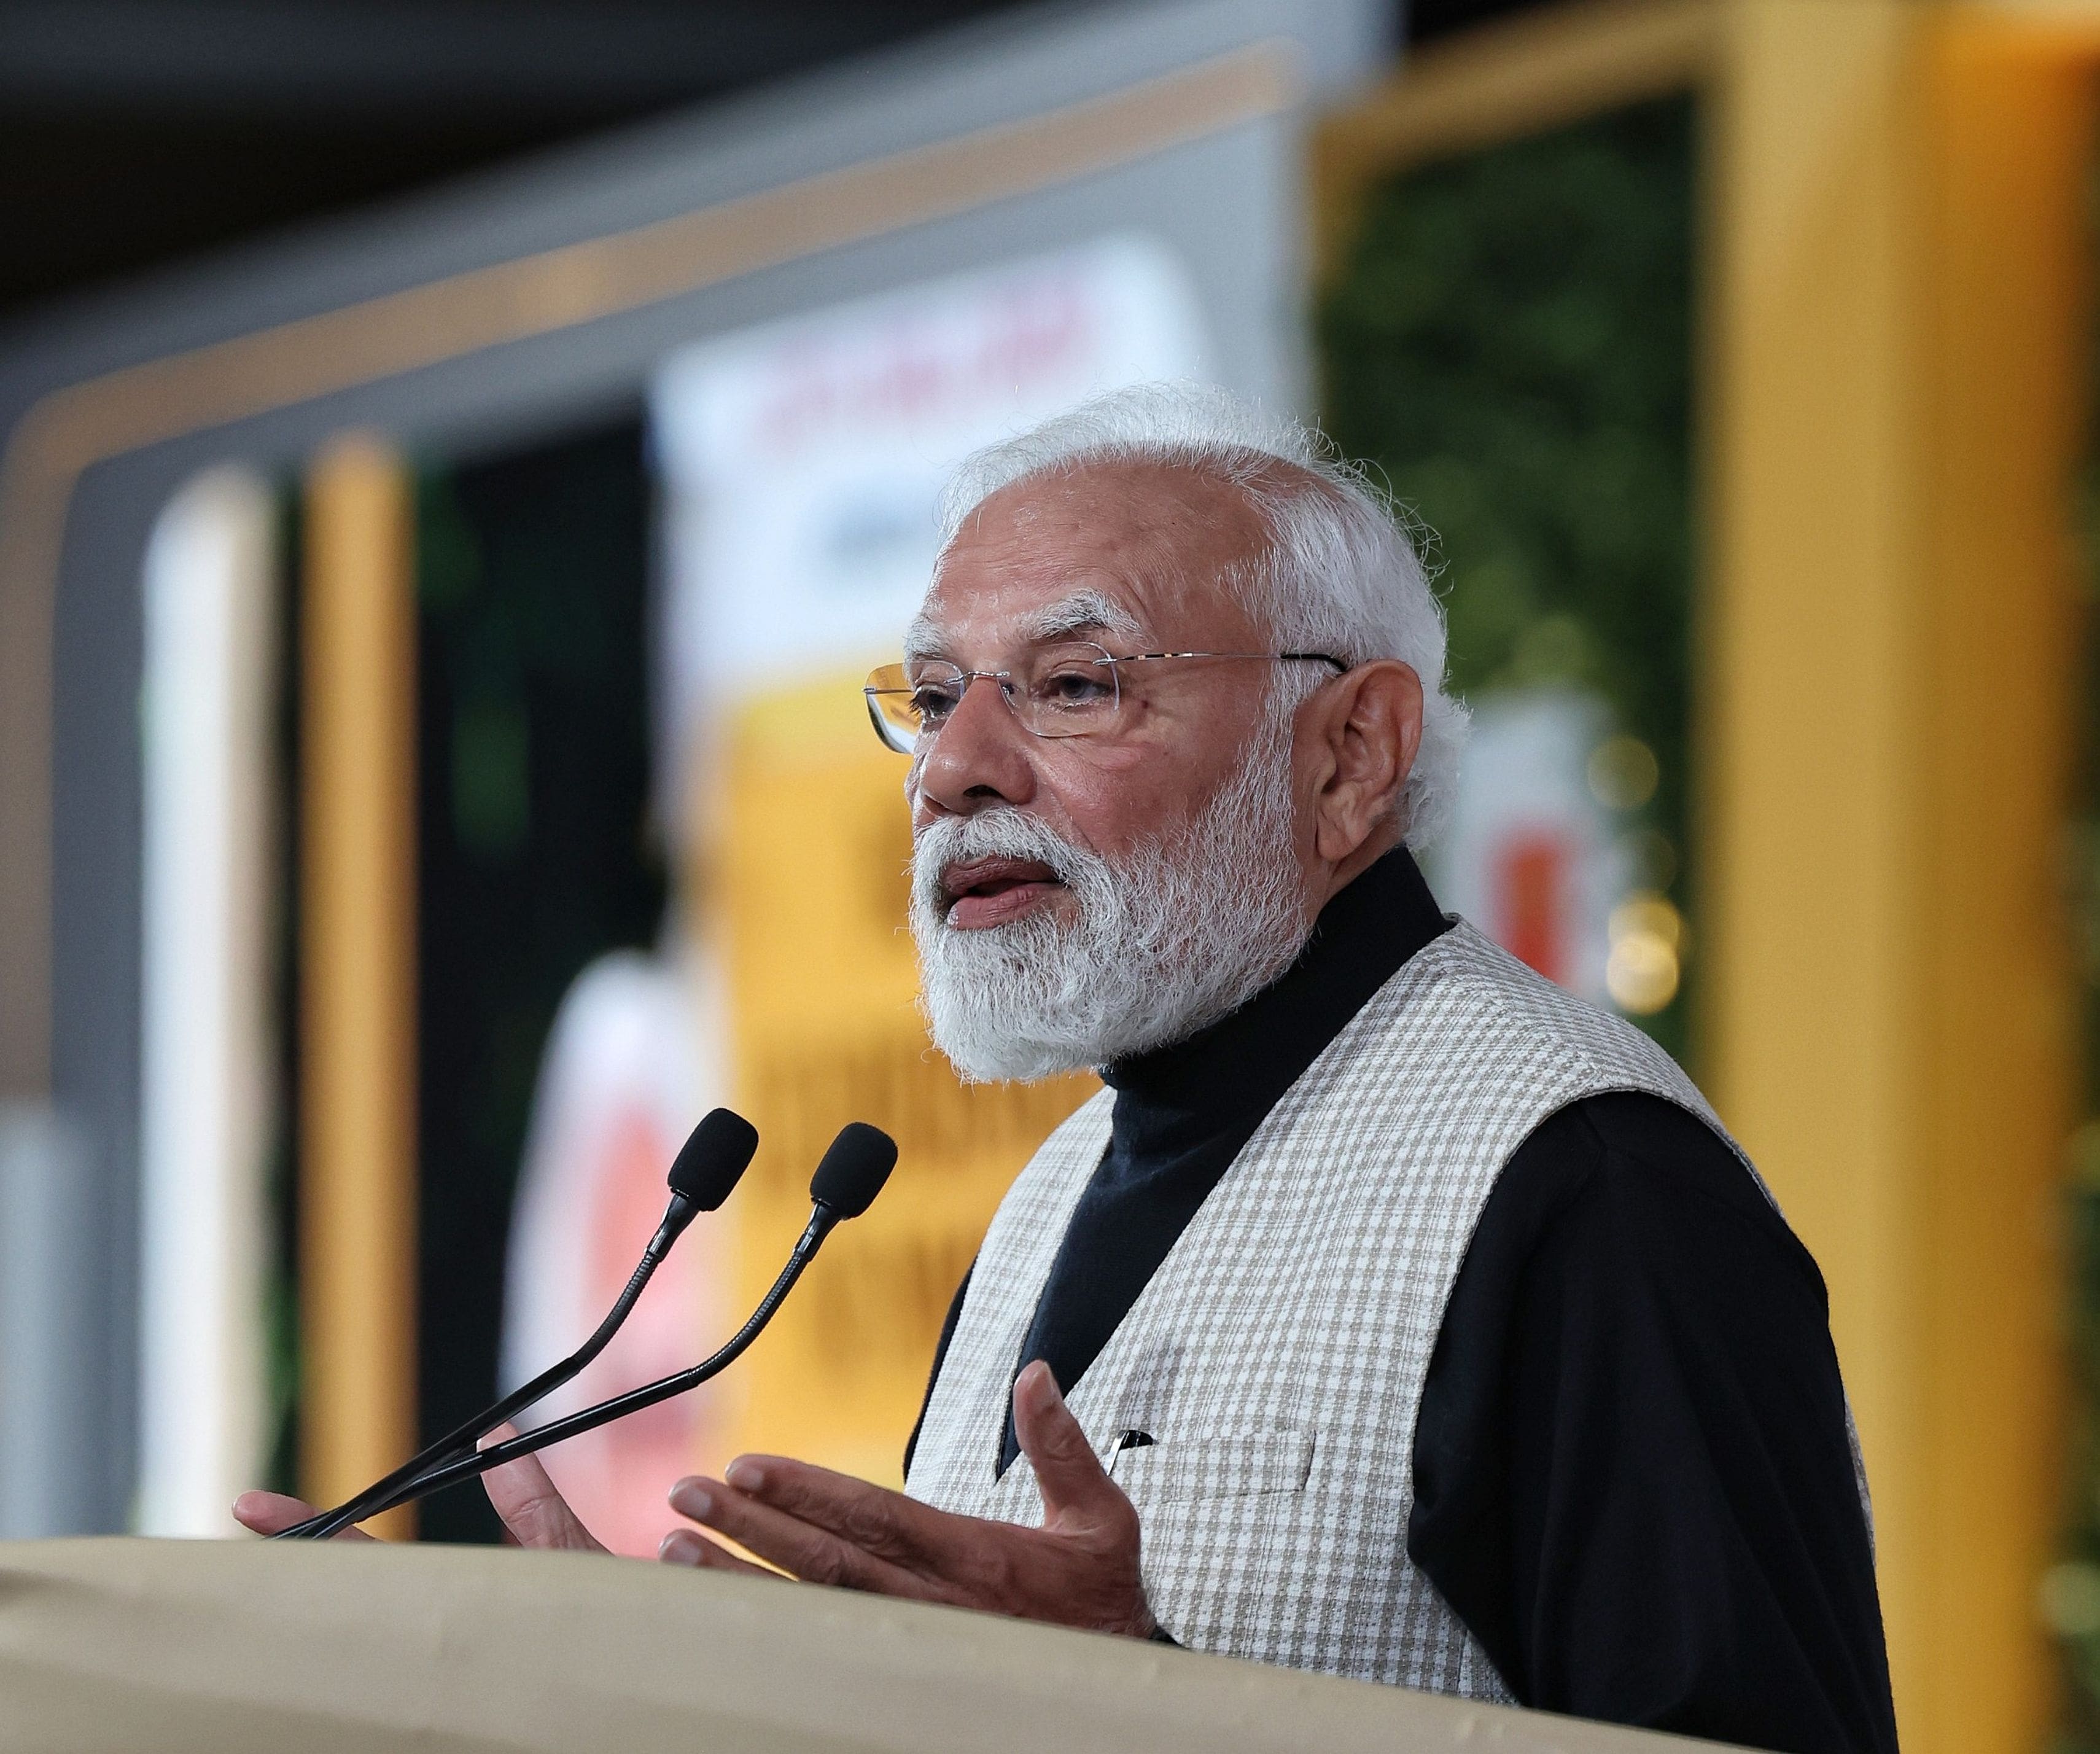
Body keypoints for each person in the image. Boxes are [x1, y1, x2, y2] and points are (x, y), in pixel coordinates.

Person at [239, 383, 1897, 1754]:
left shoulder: (1586, 1185)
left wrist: (1153, 1702)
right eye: (933, 699)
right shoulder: (1053, 1192)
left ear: (1350, 753)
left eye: (1075, 685)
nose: (953, 770)